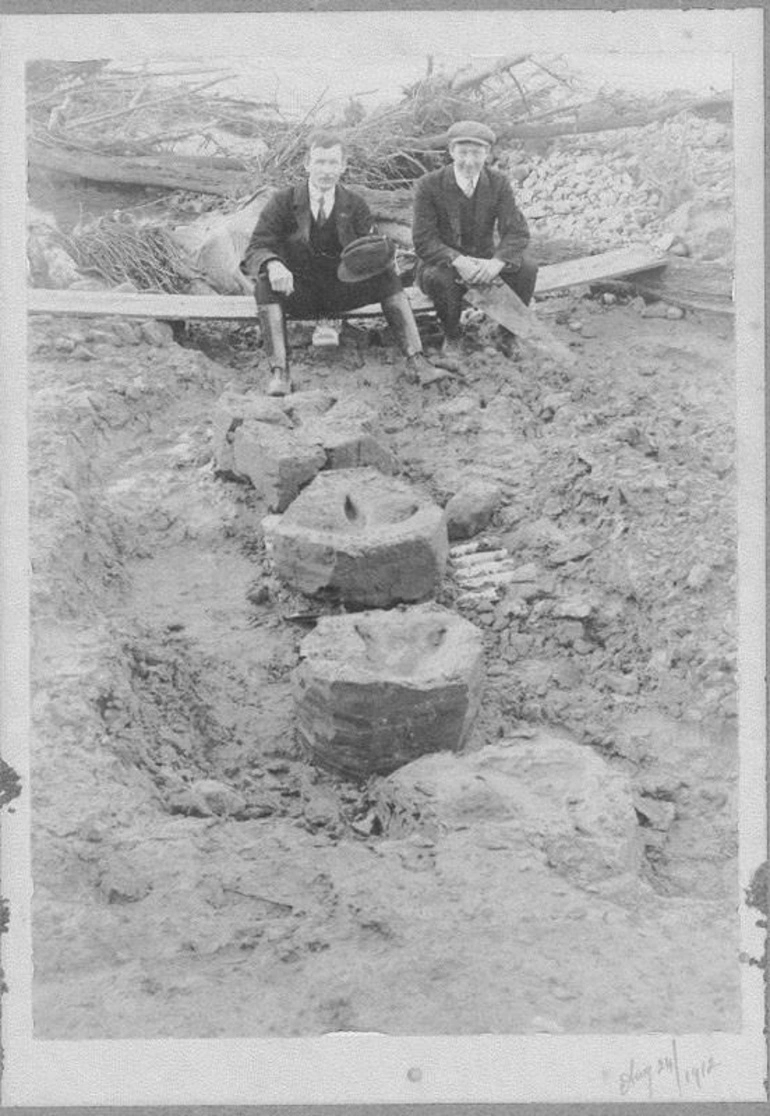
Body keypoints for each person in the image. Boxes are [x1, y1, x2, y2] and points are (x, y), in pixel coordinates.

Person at [240, 130, 435, 395]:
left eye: (333, 163)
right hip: (299, 292)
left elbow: (368, 250)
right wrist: (273, 264)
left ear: (343, 167)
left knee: (388, 277)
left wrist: (381, 258)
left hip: (341, 290)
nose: (326, 170)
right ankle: (280, 372)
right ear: (307, 164)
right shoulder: (283, 202)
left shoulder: (354, 204)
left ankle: (417, 361)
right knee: (263, 284)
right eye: (320, 162)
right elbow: (256, 247)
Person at [412, 119, 538, 367]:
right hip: (442, 264)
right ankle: (452, 335)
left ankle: (508, 333)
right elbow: (423, 239)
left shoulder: (498, 183)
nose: (469, 161)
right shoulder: (429, 185)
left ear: (487, 154)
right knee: (441, 279)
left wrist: (497, 262)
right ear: (451, 152)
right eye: (463, 153)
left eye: (477, 153)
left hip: (484, 262)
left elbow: (517, 231)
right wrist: (457, 260)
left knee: (527, 268)